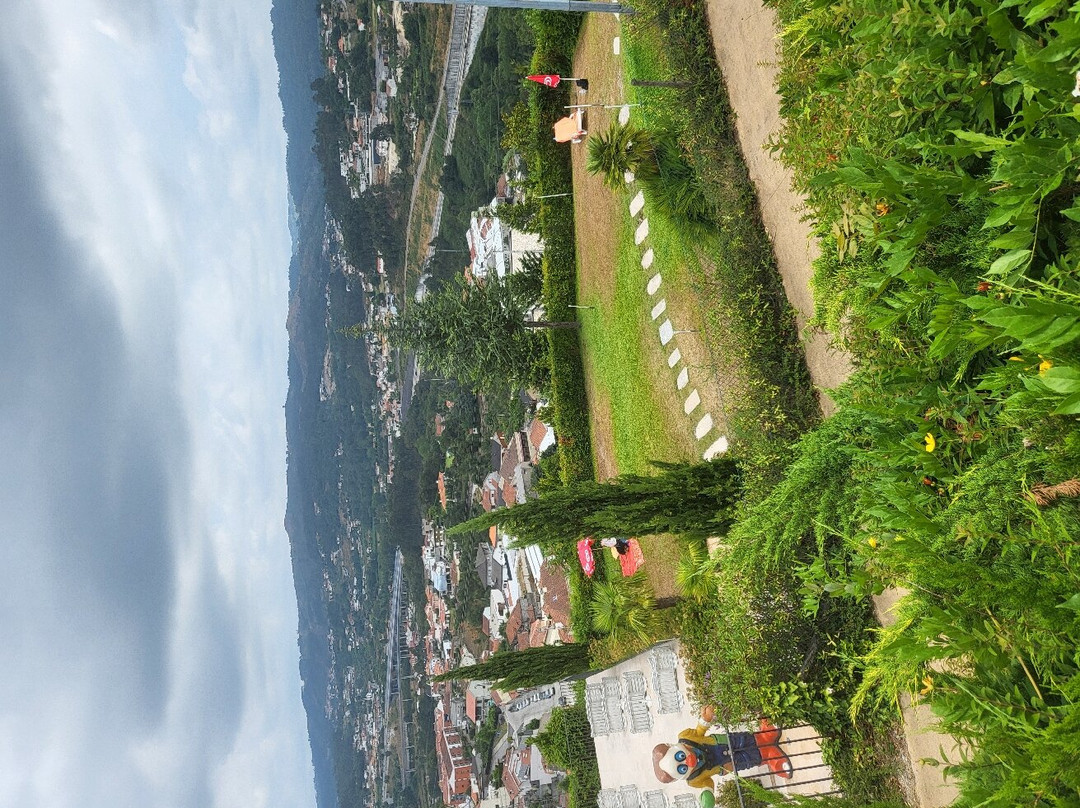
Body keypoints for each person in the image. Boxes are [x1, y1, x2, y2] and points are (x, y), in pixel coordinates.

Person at [651, 706, 792, 789]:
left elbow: (700, 731)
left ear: (674, 747)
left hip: (726, 741)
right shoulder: (693, 780)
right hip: (728, 764)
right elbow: (708, 785)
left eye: (680, 757)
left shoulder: (686, 736)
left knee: (746, 739)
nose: (688, 761)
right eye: (682, 769)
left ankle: (766, 735)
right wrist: (708, 794)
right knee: (749, 759)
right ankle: (771, 758)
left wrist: (705, 718)